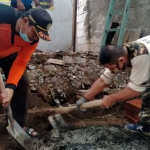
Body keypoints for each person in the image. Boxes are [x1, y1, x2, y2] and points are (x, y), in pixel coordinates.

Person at [76, 35, 150, 136]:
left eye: (112, 69)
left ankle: (146, 126)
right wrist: (85, 98)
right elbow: (103, 80)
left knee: (147, 91)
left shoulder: (140, 56)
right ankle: (147, 125)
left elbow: (135, 90)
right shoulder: (120, 55)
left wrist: (111, 98)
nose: (112, 71)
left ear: (121, 61)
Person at [0, 4, 52, 136]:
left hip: (10, 55)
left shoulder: (33, 40)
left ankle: (19, 125)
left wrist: (10, 88)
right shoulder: (3, 15)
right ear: (25, 21)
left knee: (21, 84)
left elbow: (21, 62)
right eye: (34, 33)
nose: (35, 38)